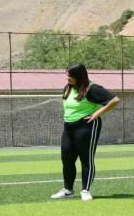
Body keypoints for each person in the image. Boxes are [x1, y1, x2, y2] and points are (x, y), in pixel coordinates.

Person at [51, 64, 120, 201]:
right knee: (67, 159)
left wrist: (96, 114)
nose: (67, 77)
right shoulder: (68, 87)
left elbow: (114, 100)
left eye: (70, 75)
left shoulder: (92, 88)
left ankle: (85, 190)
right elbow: (65, 101)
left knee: (86, 159)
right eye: (67, 74)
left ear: (79, 76)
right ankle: (68, 190)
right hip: (69, 128)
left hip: (86, 127)